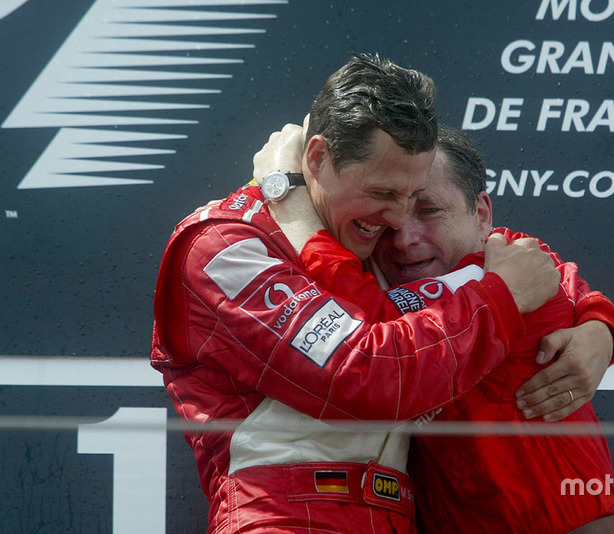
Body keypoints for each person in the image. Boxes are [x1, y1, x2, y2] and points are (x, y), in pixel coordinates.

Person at [150, 53, 561, 534]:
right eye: (384, 193)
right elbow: (366, 374)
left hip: (396, 517)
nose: (398, 220)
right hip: (285, 518)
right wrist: (503, 298)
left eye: (414, 197)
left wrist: (595, 325)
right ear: (318, 158)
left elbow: (513, 265)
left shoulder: (371, 244)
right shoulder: (225, 246)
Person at [283, 126, 614, 533]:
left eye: (428, 211)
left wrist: (293, 206)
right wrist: (600, 324)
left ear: (481, 214)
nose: (404, 239)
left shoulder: (507, 267)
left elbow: (371, 323)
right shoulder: (503, 271)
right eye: (385, 221)